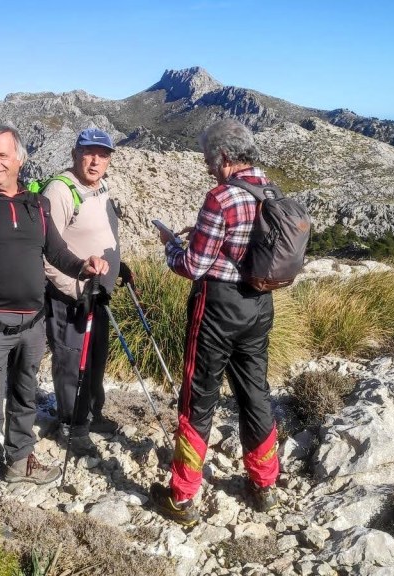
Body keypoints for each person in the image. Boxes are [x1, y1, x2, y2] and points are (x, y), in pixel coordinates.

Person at [0, 125, 109, 523]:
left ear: (20, 159)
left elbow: (56, 251)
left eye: (2, 155)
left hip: (33, 323)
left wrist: (83, 265)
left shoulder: (36, 204)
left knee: (25, 396)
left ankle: (19, 461)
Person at [150, 119, 280, 527]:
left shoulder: (221, 198)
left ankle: (182, 496)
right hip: (259, 306)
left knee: (198, 396)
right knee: (255, 392)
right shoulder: (270, 190)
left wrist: (171, 245)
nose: (207, 165)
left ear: (224, 157)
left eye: (209, 158)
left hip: (218, 309)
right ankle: (264, 486)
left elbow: (193, 265)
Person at [42, 128, 123, 457]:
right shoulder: (59, 191)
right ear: (75, 153)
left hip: (99, 294)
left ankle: (92, 413)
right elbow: (45, 253)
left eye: (102, 155)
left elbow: (101, 233)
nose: (95, 160)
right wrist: (74, 289)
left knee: (96, 356)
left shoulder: (100, 187)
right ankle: (71, 425)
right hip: (72, 297)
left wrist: (120, 265)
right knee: (71, 360)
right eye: (88, 153)